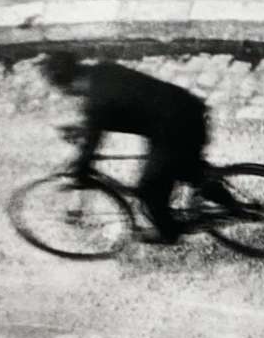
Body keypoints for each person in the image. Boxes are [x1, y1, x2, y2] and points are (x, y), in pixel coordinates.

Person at [40, 51, 213, 244]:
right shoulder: (103, 70)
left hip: (174, 129)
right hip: (186, 110)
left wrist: (80, 170)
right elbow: (121, 107)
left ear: (66, 84)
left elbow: (93, 138)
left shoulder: (96, 103)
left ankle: (168, 233)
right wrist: (84, 130)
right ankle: (232, 204)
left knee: (149, 189)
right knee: (186, 170)